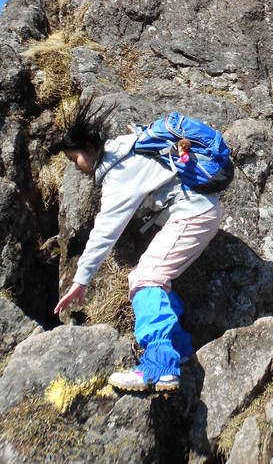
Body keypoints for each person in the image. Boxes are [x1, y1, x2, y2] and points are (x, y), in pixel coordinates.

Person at [52, 96, 222, 392]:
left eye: (74, 158)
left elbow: (105, 232)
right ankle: (179, 350)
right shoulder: (123, 148)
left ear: (90, 149)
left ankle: (159, 368)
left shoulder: (118, 175)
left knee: (146, 278)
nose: (75, 167)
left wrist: (80, 280)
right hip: (200, 209)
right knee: (153, 276)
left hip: (194, 212)